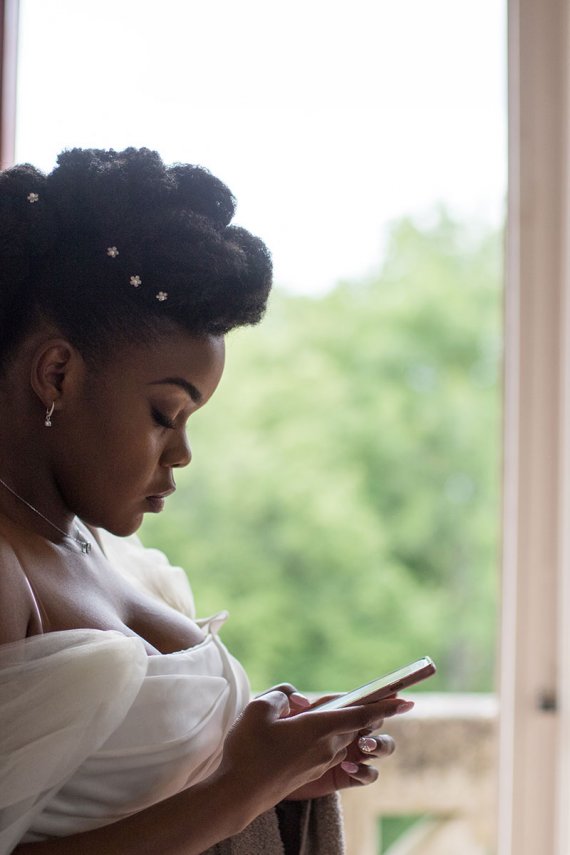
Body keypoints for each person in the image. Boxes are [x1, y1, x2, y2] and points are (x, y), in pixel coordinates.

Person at [0, 148, 413, 855]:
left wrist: (273, 766)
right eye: (166, 413)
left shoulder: (94, 545)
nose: (182, 453)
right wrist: (237, 790)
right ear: (57, 371)